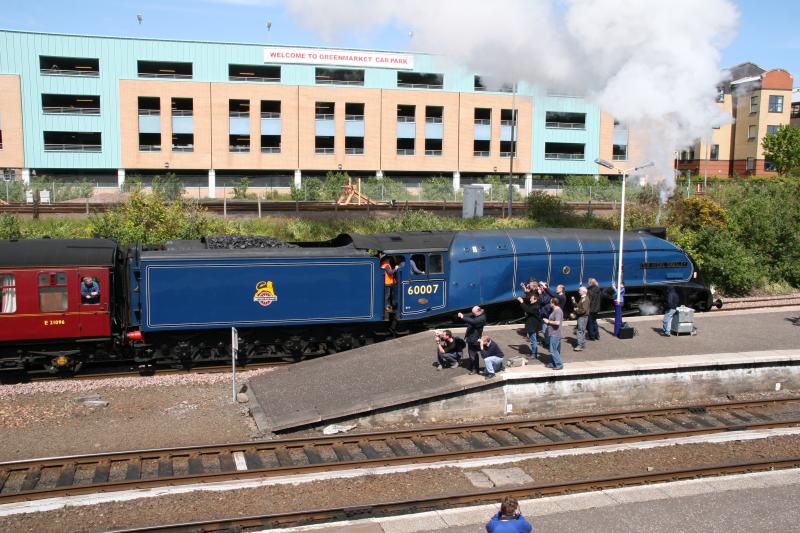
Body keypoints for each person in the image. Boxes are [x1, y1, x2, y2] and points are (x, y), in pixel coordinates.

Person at [458, 306, 486, 374]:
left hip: (475, 338)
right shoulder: (477, 313)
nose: (472, 314)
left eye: (474, 313)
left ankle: (475, 369)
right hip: (471, 337)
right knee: (472, 353)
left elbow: (473, 322)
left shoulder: (482, 318)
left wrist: (462, 317)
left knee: (473, 354)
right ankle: (473, 366)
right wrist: (462, 314)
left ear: (478, 311)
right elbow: (470, 315)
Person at [517, 292, 541, 359]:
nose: (530, 299)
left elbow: (527, 309)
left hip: (532, 326)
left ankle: (534, 354)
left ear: (535, 299)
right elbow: (528, 310)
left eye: (531, 298)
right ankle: (535, 353)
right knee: (533, 340)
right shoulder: (534, 305)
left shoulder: (536, 306)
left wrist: (521, 302)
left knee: (533, 341)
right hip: (532, 326)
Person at [542, 297, 564, 370]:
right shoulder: (555, 310)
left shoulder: (557, 311)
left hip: (555, 333)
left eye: (550, 302)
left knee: (553, 350)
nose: (549, 303)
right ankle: (552, 363)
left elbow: (557, 322)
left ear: (553, 303)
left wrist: (548, 321)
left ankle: (559, 364)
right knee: (555, 349)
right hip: (554, 333)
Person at [572, 286, 589, 351]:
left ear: (583, 292)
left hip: (582, 317)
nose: (579, 292)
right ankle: (582, 344)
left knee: (580, 331)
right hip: (583, 317)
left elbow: (583, 310)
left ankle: (579, 345)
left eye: (580, 291)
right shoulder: (583, 298)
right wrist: (575, 303)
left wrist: (576, 310)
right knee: (582, 330)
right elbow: (580, 307)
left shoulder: (585, 299)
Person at [537, 282, 552, 347]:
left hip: (547, 314)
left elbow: (543, 301)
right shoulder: (543, 293)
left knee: (546, 330)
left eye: (541, 287)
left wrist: (540, 294)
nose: (540, 288)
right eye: (540, 286)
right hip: (543, 313)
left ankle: (548, 343)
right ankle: (547, 341)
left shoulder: (548, 294)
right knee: (544, 330)